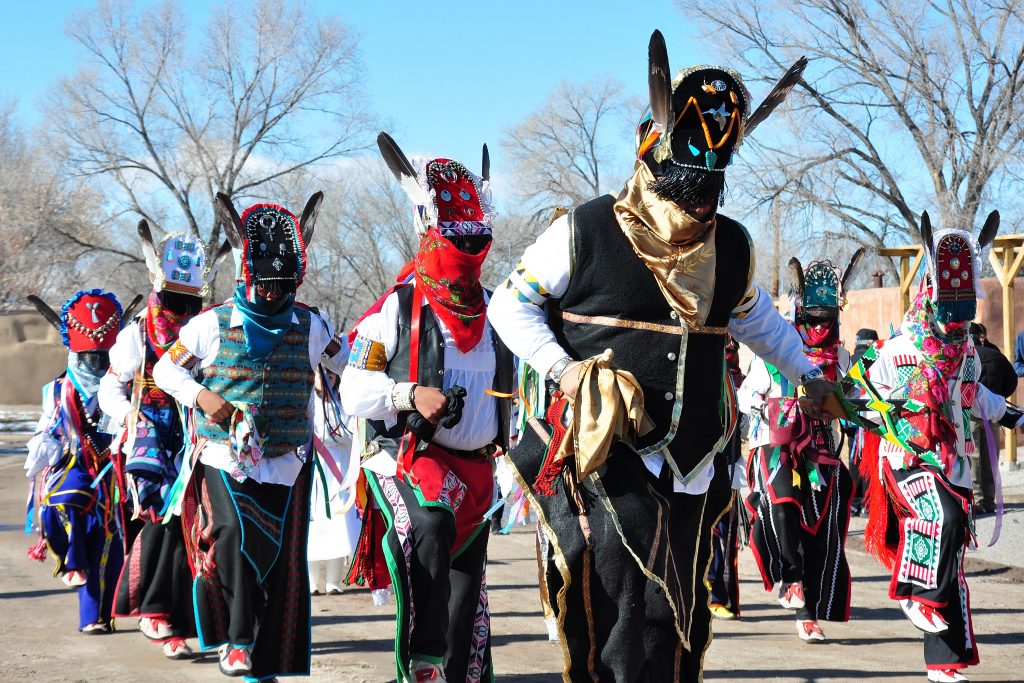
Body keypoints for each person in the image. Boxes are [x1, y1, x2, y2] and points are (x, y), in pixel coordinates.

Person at [487, 31, 831, 681]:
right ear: (657, 163)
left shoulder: (731, 247)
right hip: (605, 452)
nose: (700, 200)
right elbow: (510, 305)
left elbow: (760, 322)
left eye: (711, 188)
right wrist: (565, 369)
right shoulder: (585, 230)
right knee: (620, 606)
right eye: (689, 186)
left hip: (694, 459)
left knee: (679, 618)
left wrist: (812, 377)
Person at [153, 192, 348, 681]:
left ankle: (263, 656)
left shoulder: (310, 325)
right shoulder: (208, 325)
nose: (269, 296)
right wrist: (203, 397)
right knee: (233, 536)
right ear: (247, 275)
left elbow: (349, 363)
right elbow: (163, 370)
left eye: (280, 288)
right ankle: (237, 641)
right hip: (223, 455)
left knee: (276, 561)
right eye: (262, 285)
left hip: (286, 459)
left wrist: (397, 386)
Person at [341, 134, 514, 683]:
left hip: (480, 469)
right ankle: (424, 662)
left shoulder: (500, 313)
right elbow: (352, 387)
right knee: (432, 527)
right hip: (412, 458)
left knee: (466, 595)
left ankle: (457, 671)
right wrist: (407, 394)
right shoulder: (398, 309)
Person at [853, 210, 1024, 682]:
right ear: (930, 297)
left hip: (950, 462)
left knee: (951, 552)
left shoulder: (964, 351)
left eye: (962, 311)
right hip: (906, 459)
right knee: (940, 519)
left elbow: (978, 397)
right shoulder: (899, 347)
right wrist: (880, 411)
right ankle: (911, 591)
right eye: (949, 311)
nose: (955, 322)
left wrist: (1013, 415)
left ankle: (943, 662)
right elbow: (862, 396)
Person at [98, 225, 227, 658]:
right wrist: (130, 416)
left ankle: (190, 620)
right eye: (176, 303)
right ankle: (156, 612)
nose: (183, 312)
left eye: (192, 304)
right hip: (151, 444)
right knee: (166, 523)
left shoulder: (207, 330)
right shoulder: (136, 336)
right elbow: (109, 389)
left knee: (198, 528)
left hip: (197, 436)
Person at [739, 253, 862, 642]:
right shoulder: (775, 351)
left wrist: (854, 404)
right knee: (783, 501)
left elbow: (852, 396)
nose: (819, 326)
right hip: (776, 445)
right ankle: (790, 580)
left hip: (822, 451)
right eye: (812, 318)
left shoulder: (838, 357)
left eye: (826, 319)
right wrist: (768, 406)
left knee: (821, 527)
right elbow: (746, 394)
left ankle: (809, 611)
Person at [24, 290, 130, 634]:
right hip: (71, 465)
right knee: (64, 500)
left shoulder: (122, 387)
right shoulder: (57, 389)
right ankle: (72, 562)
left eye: (101, 357)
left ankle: (95, 617)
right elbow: (48, 428)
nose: (94, 364)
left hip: (113, 469)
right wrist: (39, 452)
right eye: (88, 356)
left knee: (106, 540)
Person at [307, 368, 361, 595]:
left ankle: (333, 581)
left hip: (339, 470)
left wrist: (338, 433)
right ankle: (310, 581)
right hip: (314, 469)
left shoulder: (344, 402)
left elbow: (351, 431)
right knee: (313, 525)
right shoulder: (308, 401)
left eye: (331, 374)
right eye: (322, 374)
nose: (327, 378)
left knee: (339, 524)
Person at [706, 334, 746, 620]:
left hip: (728, 461)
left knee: (723, 530)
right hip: (693, 459)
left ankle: (719, 593)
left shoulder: (739, 378)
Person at [968, 322, 1017, 513]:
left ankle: (978, 500)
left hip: (971, 414)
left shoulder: (967, 356)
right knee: (991, 457)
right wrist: (999, 399)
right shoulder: (995, 353)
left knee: (974, 457)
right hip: (994, 414)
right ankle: (990, 500)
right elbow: (1011, 381)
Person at [847, 328, 879, 515]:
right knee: (869, 458)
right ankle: (868, 503)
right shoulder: (874, 358)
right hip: (871, 417)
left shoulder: (848, 360)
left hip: (850, 418)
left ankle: (854, 503)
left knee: (854, 460)